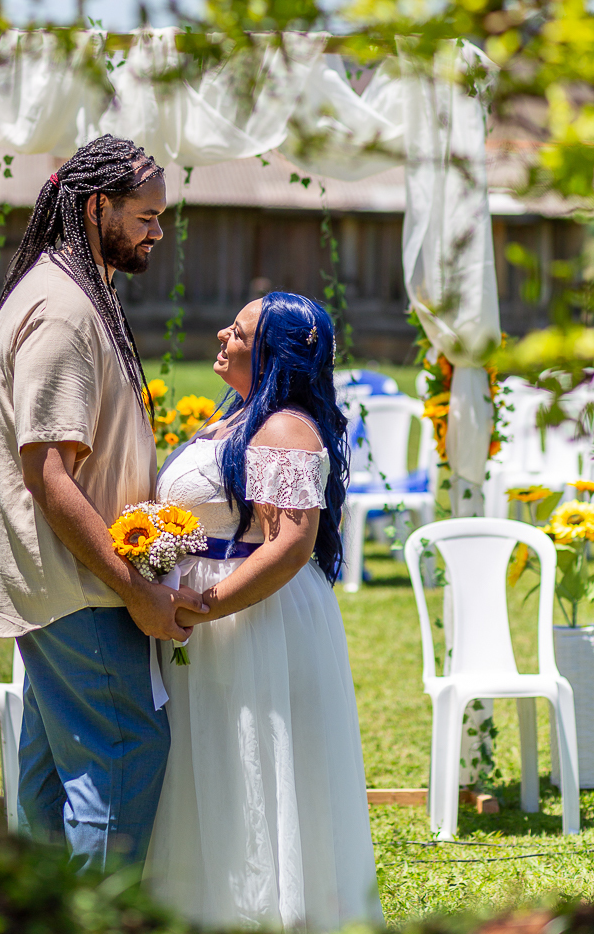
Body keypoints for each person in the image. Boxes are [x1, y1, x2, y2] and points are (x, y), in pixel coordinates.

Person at [0, 135, 207, 868]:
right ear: (96, 205)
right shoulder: (63, 312)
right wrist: (136, 588)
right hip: (83, 590)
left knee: (49, 792)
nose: (158, 232)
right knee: (121, 758)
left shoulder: (75, 291)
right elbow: (51, 476)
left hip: (63, 585)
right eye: (144, 215)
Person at [145, 292, 382, 930]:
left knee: (251, 757)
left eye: (241, 330)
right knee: (211, 758)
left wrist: (205, 606)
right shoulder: (240, 417)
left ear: (273, 352)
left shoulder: (283, 427)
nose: (223, 332)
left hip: (254, 621)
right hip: (211, 621)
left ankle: (261, 911)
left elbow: (292, 542)